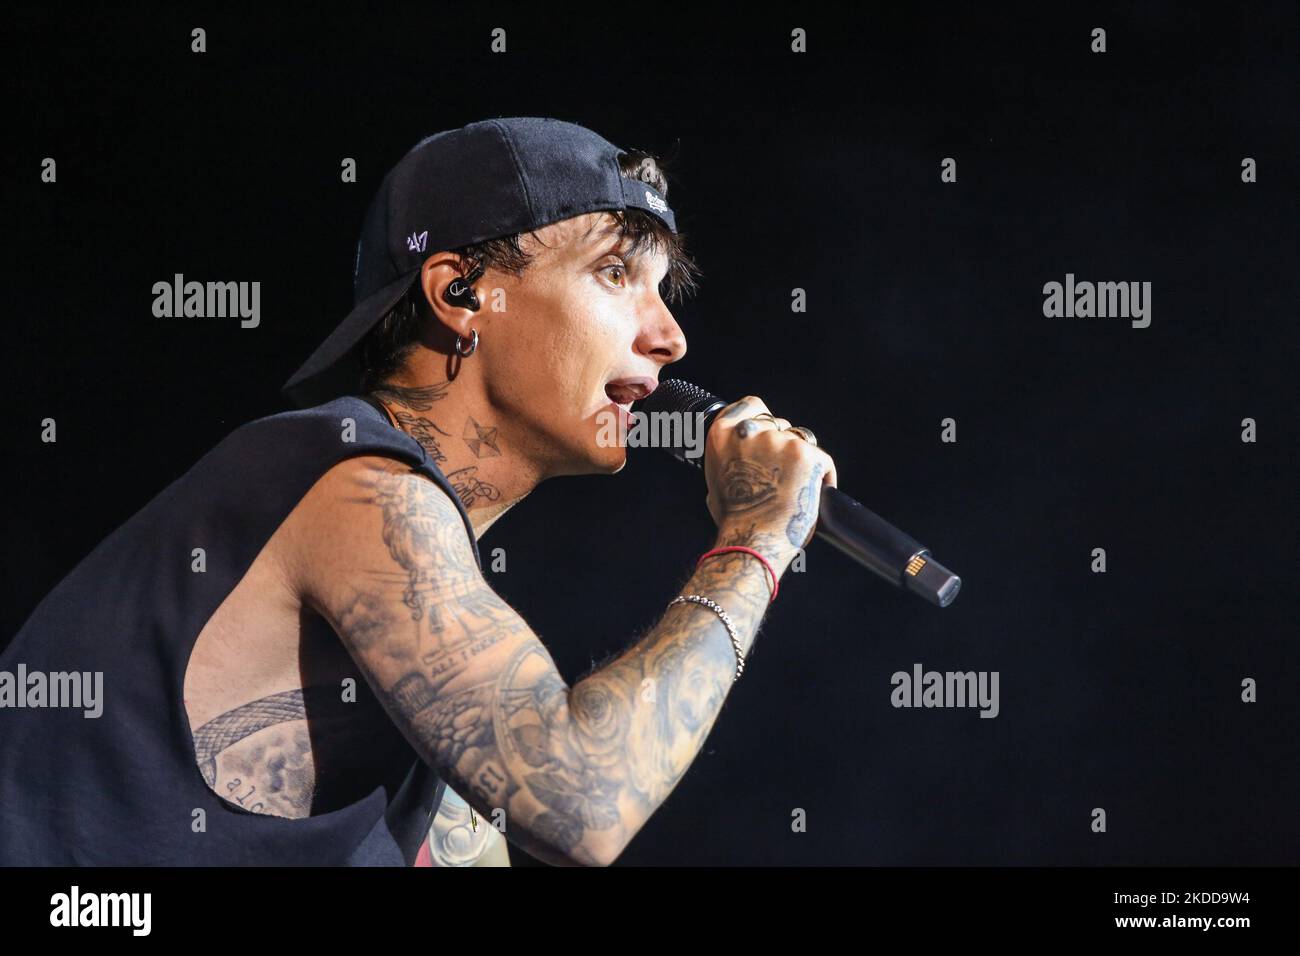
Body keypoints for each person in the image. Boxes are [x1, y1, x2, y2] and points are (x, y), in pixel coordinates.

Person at [0, 117, 836, 867]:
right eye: (616, 272)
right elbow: (584, 803)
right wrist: (757, 537)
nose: (669, 336)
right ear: (462, 292)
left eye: (664, 291)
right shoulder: (348, 484)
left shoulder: (421, 677)